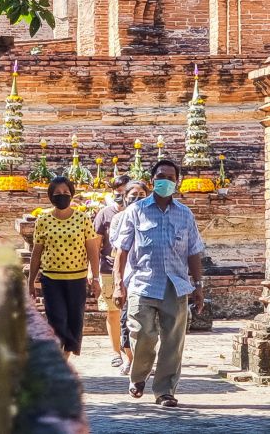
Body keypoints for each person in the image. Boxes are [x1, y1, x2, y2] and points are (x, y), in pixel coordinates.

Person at [113, 159, 205, 407]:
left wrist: (198, 285)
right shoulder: (136, 210)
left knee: (173, 341)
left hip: (175, 285)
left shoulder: (185, 214)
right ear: (153, 180)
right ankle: (139, 375)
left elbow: (194, 251)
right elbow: (121, 250)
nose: (166, 181)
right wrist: (117, 284)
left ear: (177, 181)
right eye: (161, 176)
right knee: (143, 333)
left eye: (171, 177)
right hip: (143, 283)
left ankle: (165, 391)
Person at [29, 176, 101, 359]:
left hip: (77, 279)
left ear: (72, 195)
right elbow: (36, 253)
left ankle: (66, 357)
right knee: (57, 319)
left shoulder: (82, 219)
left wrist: (95, 276)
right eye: (57, 194)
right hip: (52, 279)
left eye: (66, 193)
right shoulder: (43, 220)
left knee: (74, 321)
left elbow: (92, 249)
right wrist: (30, 281)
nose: (62, 196)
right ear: (51, 197)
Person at [108, 180, 148, 376]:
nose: (137, 199)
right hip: (128, 276)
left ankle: (143, 360)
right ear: (125, 197)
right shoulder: (119, 219)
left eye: (142, 195)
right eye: (134, 195)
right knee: (126, 320)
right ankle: (130, 358)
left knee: (147, 325)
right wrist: (117, 283)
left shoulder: (153, 217)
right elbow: (118, 249)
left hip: (148, 276)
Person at [92, 174, 132, 368]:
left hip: (133, 268)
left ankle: (131, 351)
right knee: (113, 312)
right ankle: (116, 352)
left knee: (133, 313)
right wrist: (93, 272)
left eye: (125, 192)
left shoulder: (136, 212)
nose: (121, 196)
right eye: (117, 193)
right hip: (109, 267)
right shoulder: (105, 214)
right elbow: (97, 243)